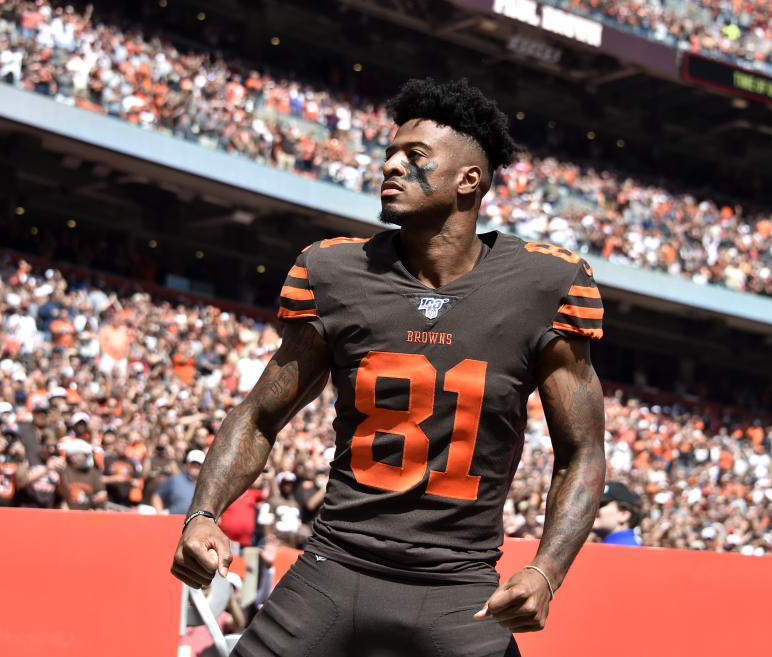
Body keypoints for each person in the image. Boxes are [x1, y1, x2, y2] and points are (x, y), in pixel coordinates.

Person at [170, 78, 607, 657]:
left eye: (415, 157)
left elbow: (581, 451)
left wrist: (547, 570)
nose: (391, 166)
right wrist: (201, 516)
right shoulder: (334, 271)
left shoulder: (544, 283)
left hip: (459, 587)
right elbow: (258, 415)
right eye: (390, 155)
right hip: (334, 566)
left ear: (469, 180)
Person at [591, 481, 643, 547]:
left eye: (602, 505)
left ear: (624, 515)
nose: (593, 509)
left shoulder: (630, 552)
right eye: (593, 505)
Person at [152, 449, 204, 515]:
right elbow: (157, 497)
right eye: (193, 464)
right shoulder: (175, 480)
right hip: (174, 522)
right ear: (187, 464)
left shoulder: (206, 486)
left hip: (197, 523)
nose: (196, 466)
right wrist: (160, 515)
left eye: (199, 464)